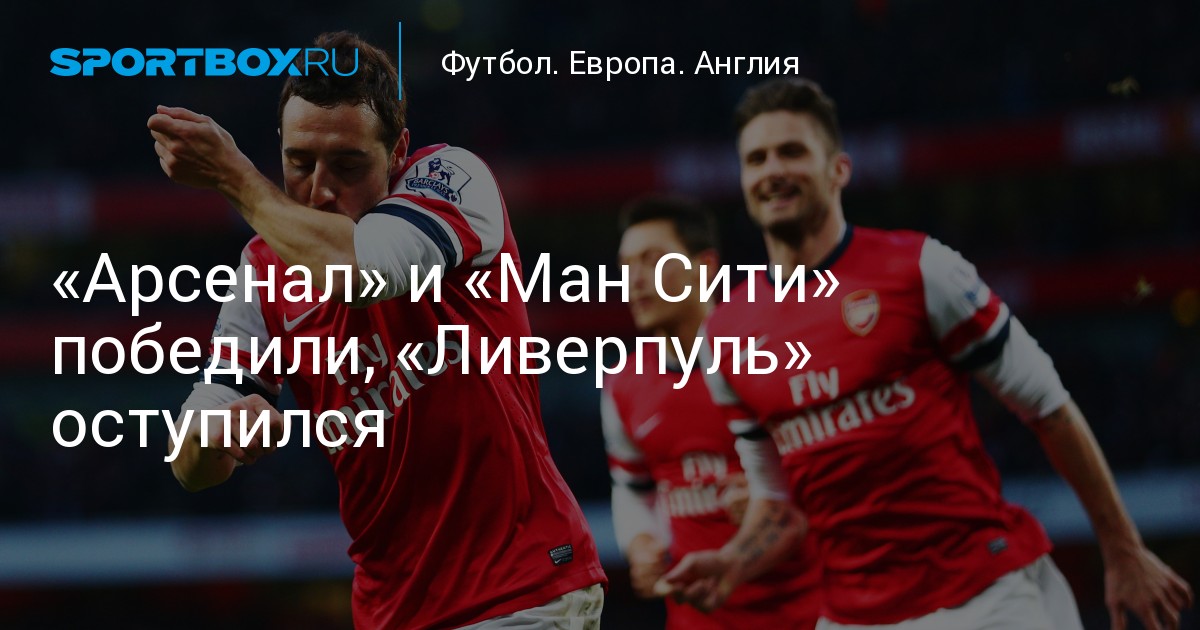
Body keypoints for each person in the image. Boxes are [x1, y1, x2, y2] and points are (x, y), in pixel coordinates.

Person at [660, 78, 1193, 629]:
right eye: (756, 159)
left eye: (791, 152)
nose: (772, 170)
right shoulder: (724, 335)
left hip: (986, 599)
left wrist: (1122, 548)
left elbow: (1048, 407)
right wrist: (733, 560)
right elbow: (775, 500)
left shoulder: (919, 269)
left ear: (838, 169)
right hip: (853, 616)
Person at [148, 31, 605, 629]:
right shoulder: (262, 272)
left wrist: (235, 179)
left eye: (347, 165)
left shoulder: (450, 179)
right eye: (299, 163)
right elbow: (187, 464)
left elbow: (362, 270)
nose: (319, 190)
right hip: (389, 611)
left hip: (520, 592)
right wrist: (215, 434)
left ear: (397, 151)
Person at [602, 196, 821, 629]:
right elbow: (631, 488)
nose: (635, 279)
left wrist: (777, 495)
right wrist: (640, 541)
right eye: (626, 265)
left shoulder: (766, 357)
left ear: (705, 267)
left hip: (801, 615)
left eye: (652, 260)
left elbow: (834, 478)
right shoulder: (622, 384)